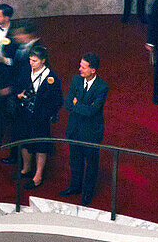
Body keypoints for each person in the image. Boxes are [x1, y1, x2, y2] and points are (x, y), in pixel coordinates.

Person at [14, 43, 63, 188]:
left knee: (40, 145)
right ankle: (26, 168)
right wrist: (20, 95)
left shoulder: (51, 77)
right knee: (24, 141)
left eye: (34, 61)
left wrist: (45, 112)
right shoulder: (25, 71)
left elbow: (57, 100)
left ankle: (38, 176)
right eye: (30, 60)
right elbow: (18, 86)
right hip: (25, 114)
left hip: (40, 117)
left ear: (43, 60)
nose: (31, 63)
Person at [62, 53, 108, 207]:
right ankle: (74, 187)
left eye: (83, 67)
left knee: (91, 164)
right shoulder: (76, 80)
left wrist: (77, 105)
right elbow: (67, 103)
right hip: (75, 129)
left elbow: (92, 111)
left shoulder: (102, 87)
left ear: (93, 70)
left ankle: (88, 192)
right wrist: (77, 105)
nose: (79, 69)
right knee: (75, 161)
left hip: (91, 133)